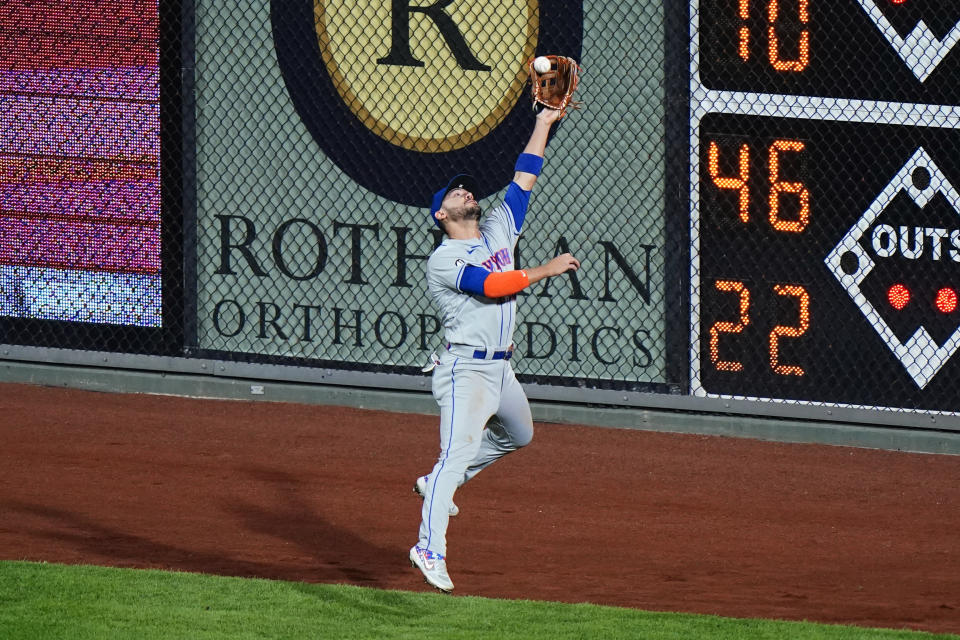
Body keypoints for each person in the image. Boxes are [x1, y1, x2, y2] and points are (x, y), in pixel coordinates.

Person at [409, 106, 580, 592]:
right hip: (465, 371)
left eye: (466, 187)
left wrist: (545, 123)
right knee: (453, 456)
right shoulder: (444, 259)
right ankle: (429, 547)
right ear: (441, 214)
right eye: (454, 192)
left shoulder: (500, 228)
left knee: (519, 435)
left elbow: (524, 178)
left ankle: (443, 481)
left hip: (501, 370)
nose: (466, 190)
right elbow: (492, 286)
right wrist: (545, 270)